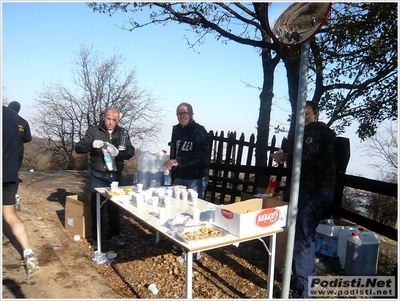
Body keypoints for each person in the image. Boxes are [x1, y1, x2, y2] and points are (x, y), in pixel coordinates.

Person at [271, 101, 336, 298]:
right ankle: (306, 279)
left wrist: (284, 157)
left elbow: (306, 157)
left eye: (306, 113)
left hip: (313, 192)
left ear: (315, 114)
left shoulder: (315, 133)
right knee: (305, 237)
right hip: (316, 191)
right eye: (300, 114)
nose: (303, 117)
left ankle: (303, 292)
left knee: (302, 240)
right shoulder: (316, 133)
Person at [75, 107, 135, 250]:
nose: (110, 122)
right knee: (97, 207)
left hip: (115, 176)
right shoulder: (94, 131)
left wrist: (118, 154)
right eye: (108, 119)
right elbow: (78, 147)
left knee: (114, 206)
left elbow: (130, 151)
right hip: (98, 175)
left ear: (117, 120)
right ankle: (97, 238)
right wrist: (91, 145)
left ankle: (114, 234)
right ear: (104, 117)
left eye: (114, 120)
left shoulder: (123, 133)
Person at [164, 102, 210, 262]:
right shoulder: (177, 131)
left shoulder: (199, 132)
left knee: (193, 212)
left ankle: (195, 250)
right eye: (179, 114)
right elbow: (175, 153)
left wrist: (179, 161)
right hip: (181, 177)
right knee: (179, 210)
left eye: (185, 113)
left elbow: (201, 156)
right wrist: (175, 174)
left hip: (196, 178)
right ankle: (181, 240)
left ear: (191, 114)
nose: (182, 116)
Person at [2, 106, 40, 276]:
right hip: (9, 173)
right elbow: (26, 138)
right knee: (10, 215)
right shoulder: (12, 116)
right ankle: (29, 253)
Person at [8, 101, 32, 210]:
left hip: (4, 150)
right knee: (14, 174)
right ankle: (11, 196)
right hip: (17, 151)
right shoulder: (23, 122)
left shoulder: (3, 119)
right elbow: (28, 138)